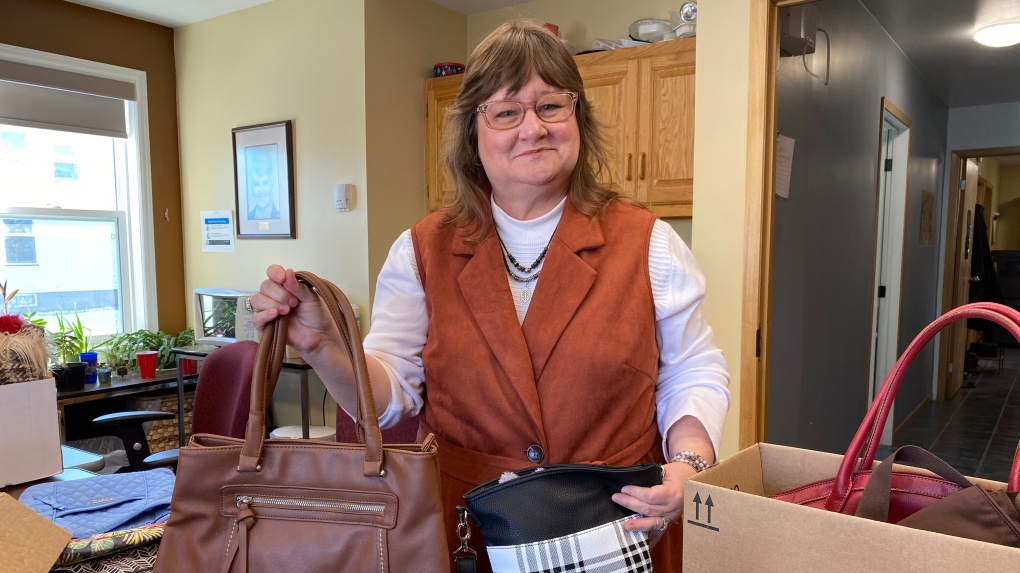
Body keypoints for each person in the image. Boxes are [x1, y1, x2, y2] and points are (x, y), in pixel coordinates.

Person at [250, 20, 729, 572]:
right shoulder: (421, 251)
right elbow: (388, 399)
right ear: (474, 132)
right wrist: (323, 346)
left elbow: (692, 371)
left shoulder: (650, 244)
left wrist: (689, 465)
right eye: (507, 112)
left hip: (615, 532)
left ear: (578, 119)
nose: (534, 128)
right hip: (468, 536)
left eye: (551, 106)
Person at [246, 145, 281, 220]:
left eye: (265, 183)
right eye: (256, 184)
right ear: (251, 187)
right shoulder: (247, 217)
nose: (261, 191)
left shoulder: (280, 215)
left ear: (272, 184)